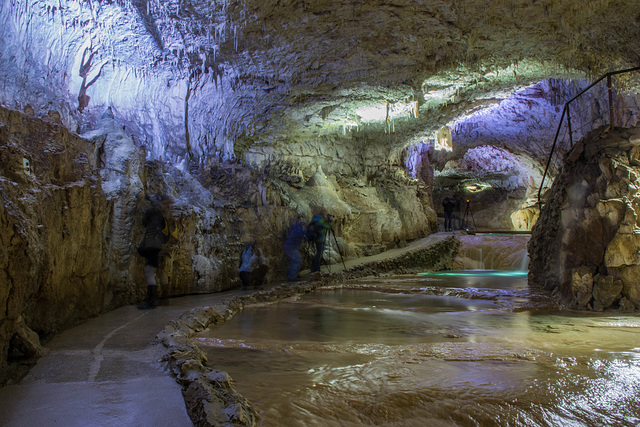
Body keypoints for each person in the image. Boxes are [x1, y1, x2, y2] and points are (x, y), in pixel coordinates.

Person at [137, 193, 169, 309]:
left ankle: (151, 301)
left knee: (149, 271)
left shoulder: (152, 213)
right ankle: (160, 298)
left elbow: (145, 223)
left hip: (152, 245)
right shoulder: (160, 214)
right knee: (152, 271)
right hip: (157, 245)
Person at [283, 216, 306, 281]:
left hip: (287, 245)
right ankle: (292, 276)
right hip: (291, 246)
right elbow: (305, 235)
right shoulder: (299, 229)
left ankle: (293, 274)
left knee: (292, 261)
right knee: (297, 260)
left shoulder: (294, 227)